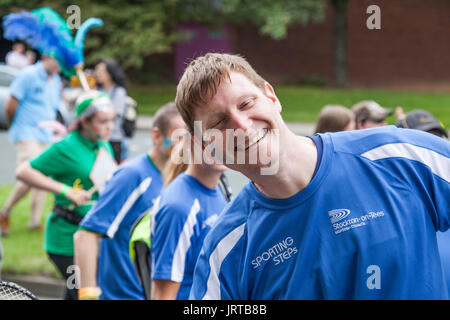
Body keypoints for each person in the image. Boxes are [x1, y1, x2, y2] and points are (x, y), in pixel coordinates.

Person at [174, 53, 450, 299]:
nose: (242, 126)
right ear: (204, 146)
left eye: (246, 103)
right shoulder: (226, 249)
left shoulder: (398, 156)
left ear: (271, 96)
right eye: (219, 122)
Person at [74, 102, 185, 300]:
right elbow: (85, 236)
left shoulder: (183, 179)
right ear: (157, 136)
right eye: (178, 137)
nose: (186, 144)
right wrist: (88, 294)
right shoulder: (132, 175)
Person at [15, 90, 116, 300]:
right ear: (84, 122)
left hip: (92, 237)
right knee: (81, 290)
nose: (110, 126)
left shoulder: (103, 144)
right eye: (102, 121)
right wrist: (65, 190)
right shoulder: (65, 147)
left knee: (78, 293)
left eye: (111, 120)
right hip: (65, 240)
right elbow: (23, 171)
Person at [151, 135, 228, 300]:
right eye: (207, 140)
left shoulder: (217, 188)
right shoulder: (179, 207)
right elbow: (162, 294)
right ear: (189, 143)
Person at [0, 55, 62, 235]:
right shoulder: (28, 74)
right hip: (26, 132)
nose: (59, 65)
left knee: (42, 178)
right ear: (46, 57)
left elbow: (52, 107)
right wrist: (15, 127)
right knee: (31, 174)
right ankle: (5, 211)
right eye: (57, 60)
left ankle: (34, 222)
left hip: (46, 134)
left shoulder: (56, 80)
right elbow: (11, 104)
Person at [94, 58, 129, 163]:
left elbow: (112, 114)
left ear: (109, 74)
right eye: (96, 70)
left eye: (100, 71)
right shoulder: (97, 90)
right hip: (98, 138)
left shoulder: (119, 92)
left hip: (113, 139)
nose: (97, 74)